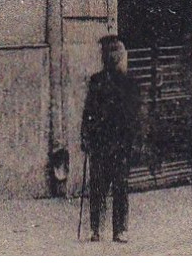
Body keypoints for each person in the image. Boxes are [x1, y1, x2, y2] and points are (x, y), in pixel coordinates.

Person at [80, 35, 140, 243]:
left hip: (116, 144)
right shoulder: (98, 81)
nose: (115, 58)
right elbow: (88, 112)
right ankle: (101, 229)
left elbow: (133, 117)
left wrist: (133, 143)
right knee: (102, 188)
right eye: (111, 53)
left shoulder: (127, 83)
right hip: (103, 144)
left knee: (116, 188)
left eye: (117, 53)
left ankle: (115, 229)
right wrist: (86, 136)